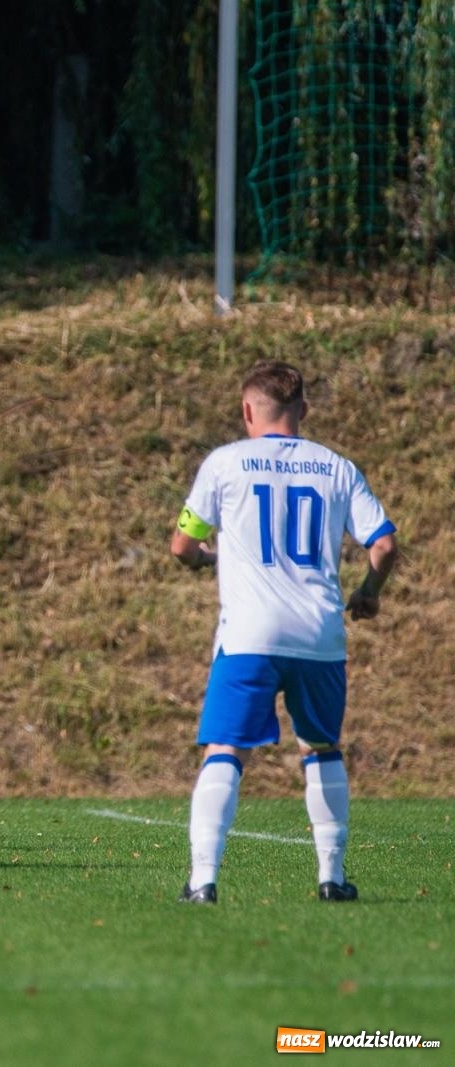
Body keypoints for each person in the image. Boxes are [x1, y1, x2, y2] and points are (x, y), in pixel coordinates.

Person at [171, 360, 397, 904]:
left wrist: (205, 559)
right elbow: (384, 544)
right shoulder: (336, 467)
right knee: (320, 748)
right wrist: (368, 591)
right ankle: (331, 878)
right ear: (304, 411)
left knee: (226, 750)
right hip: (319, 633)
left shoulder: (224, 463)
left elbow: (181, 545)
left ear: (247, 411)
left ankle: (203, 881)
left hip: (249, 635)